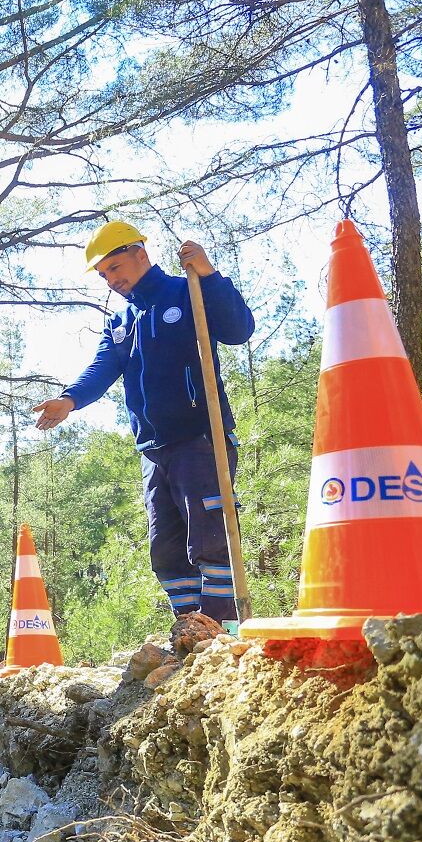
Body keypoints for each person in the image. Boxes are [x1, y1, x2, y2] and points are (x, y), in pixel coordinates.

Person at [32, 221, 255, 622]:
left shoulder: (185, 291)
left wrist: (209, 275)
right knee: (166, 549)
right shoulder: (121, 321)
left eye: (115, 268)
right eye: (103, 275)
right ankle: (189, 632)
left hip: (200, 439)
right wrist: (70, 399)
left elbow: (239, 330)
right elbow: (103, 367)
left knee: (209, 539)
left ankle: (222, 632)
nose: (110, 280)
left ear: (140, 253)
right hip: (153, 449)